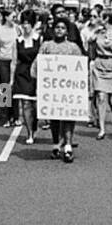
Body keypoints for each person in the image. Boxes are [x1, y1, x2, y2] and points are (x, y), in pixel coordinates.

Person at [40, 18, 84, 161]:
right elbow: (38, 65)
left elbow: (80, 68)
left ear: (67, 31)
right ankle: (55, 145)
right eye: (57, 27)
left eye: (63, 28)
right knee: (54, 118)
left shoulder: (73, 48)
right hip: (51, 89)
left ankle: (68, 146)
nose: (59, 30)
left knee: (68, 117)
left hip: (68, 89)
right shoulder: (46, 46)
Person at [90, 10, 112, 140]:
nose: (99, 19)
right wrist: (95, 33)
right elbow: (90, 42)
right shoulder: (98, 32)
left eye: (101, 17)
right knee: (101, 96)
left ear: (107, 18)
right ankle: (102, 128)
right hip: (99, 63)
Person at [12, 10, 42, 144]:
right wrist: (11, 80)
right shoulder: (17, 41)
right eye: (23, 23)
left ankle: (34, 125)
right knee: (25, 104)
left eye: (28, 23)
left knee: (34, 105)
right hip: (22, 73)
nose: (25, 26)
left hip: (36, 74)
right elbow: (14, 60)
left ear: (33, 24)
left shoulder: (39, 39)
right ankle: (29, 133)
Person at [0, 9, 18, 127]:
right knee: (5, 88)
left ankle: (15, 116)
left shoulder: (17, 28)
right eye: (13, 16)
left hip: (15, 61)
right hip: (3, 61)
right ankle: (5, 117)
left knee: (14, 89)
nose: (15, 18)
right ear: (6, 17)